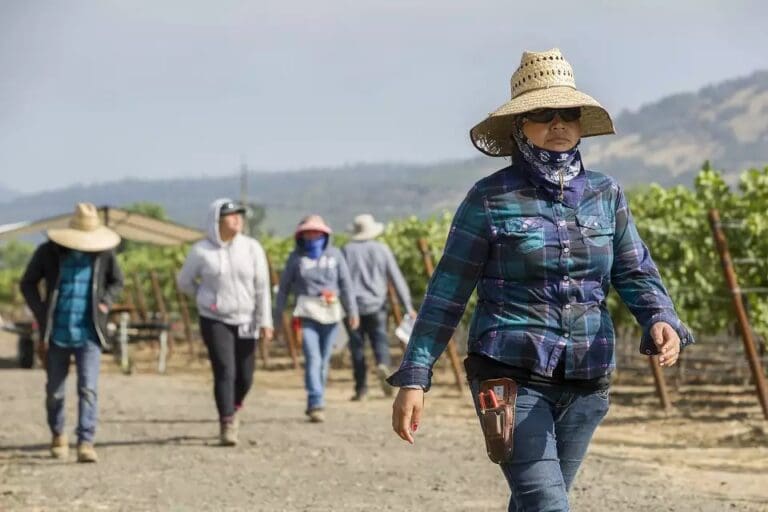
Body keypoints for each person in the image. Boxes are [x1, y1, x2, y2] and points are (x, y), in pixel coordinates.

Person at [388, 48, 694, 511]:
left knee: (537, 503)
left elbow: (634, 269)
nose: (558, 124)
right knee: (548, 506)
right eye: (541, 114)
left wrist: (660, 316)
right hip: (508, 378)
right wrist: (415, 377)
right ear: (519, 126)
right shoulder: (490, 199)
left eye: (567, 113)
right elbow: (446, 294)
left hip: (588, 380)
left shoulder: (605, 193)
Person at [20, 202, 124, 463]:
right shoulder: (48, 253)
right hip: (56, 333)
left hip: (89, 333)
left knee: (88, 389)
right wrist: (42, 312)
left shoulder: (104, 255)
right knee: (55, 391)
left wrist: (105, 302)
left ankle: (86, 441)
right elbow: (28, 283)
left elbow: (116, 281)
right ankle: (58, 434)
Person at [178, 199, 273, 446]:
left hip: (247, 319)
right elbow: (184, 281)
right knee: (225, 370)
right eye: (231, 216)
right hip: (215, 318)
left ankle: (235, 404)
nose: (237, 220)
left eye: (239, 216)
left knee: (246, 375)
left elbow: (262, 287)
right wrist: (204, 298)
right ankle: (227, 422)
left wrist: (266, 321)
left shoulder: (252, 248)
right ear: (216, 222)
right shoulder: (201, 251)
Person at [273, 214, 359, 423]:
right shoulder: (296, 258)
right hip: (307, 312)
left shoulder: (336, 256)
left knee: (324, 359)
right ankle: (315, 401)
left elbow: (346, 285)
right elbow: (284, 289)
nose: (313, 236)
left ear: (324, 234)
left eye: (317, 232)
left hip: (331, 312)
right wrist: (277, 316)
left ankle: (318, 396)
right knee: (313, 357)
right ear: (302, 235)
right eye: (309, 233)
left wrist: (353, 311)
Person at [342, 213, 416, 401]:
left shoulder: (346, 251)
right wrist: (408, 306)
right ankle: (383, 365)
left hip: (352, 309)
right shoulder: (382, 249)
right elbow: (396, 278)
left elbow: (340, 281)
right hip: (376, 305)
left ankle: (361, 389)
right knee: (380, 341)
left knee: (357, 348)